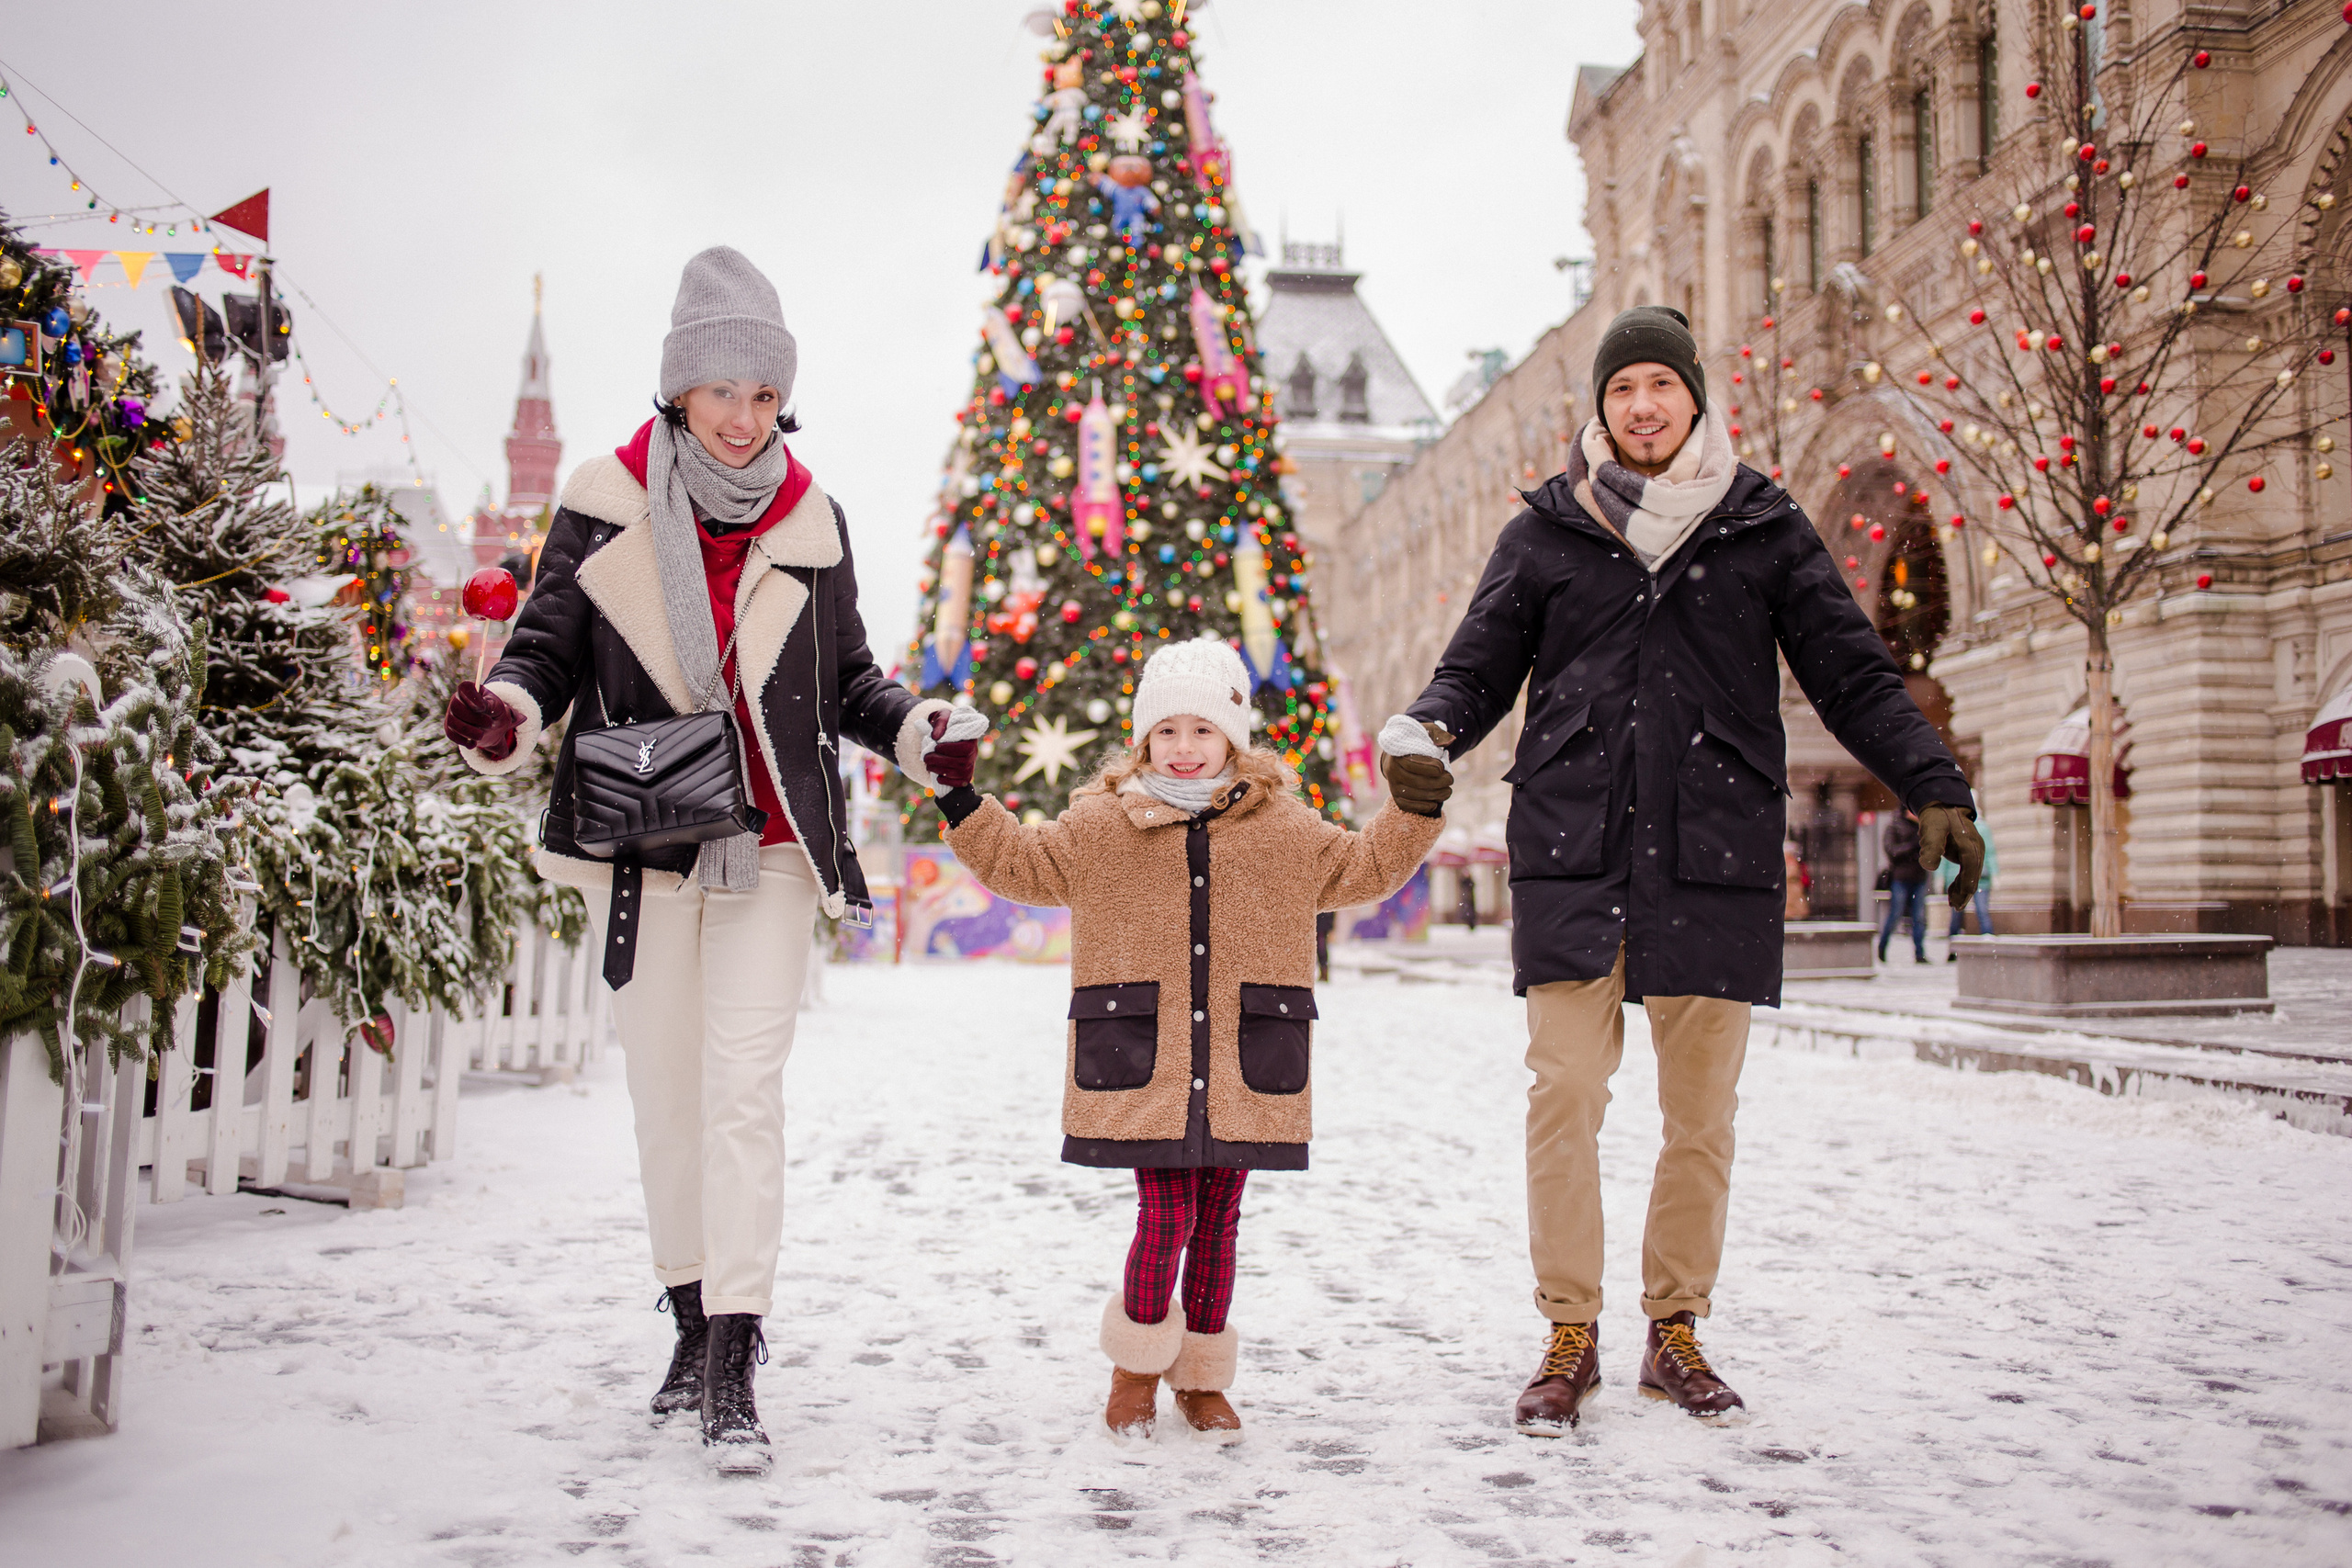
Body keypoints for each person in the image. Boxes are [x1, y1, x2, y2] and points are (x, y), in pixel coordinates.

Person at [1392, 305, 1984, 1436]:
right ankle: (1569, 1330)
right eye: (1623, 391)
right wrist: (1424, 738)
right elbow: (1470, 671)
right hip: (1572, 851)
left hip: (1713, 854)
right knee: (1563, 1094)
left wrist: (1932, 780)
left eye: (1661, 386)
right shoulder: (1546, 533)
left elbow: (1853, 673)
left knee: (1699, 1115)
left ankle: (1675, 1330)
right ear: (1600, 409)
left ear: (1695, 399)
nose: (1643, 407)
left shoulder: (1761, 524)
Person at [442, 246, 985, 1474]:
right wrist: (510, 715)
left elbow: (846, 680)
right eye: (719, 391)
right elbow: (544, 648)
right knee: (665, 1095)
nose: (742, 418)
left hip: (773, 846)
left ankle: (737, 1346)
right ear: (678, 389)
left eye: (762, 393)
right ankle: (685, 1317)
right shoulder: (603, 500)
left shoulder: (812, 518)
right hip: (647, 837)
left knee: (745, 1093)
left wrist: (916, 731)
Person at [934, 638, 1447, 1443]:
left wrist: (1412, 808)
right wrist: (962, 798)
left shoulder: (1284, 825)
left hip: (1248, 1053)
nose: (1183, 747)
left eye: (1201, 730)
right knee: (1165, 1210)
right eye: (1165, 730)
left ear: (1234, 738)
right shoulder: (1101, 823)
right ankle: (1136, 1365)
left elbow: (1364, 866)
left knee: (1219, 1218)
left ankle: (1202, 1378)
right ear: (1142, 739)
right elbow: (1022, 864)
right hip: (1144, 1057)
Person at [1878, 810, 1930, 964]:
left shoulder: (1923, 827)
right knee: (1896, 914)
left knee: (1919, 917)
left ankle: (1919, 953)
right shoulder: (1895, 826)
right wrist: (1911, 847)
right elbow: (1891, 851)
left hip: (1919, 877)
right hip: (1901, 877)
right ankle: (1882, 947)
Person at [1943, 812, 1997, 954]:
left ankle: (1989, 944)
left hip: (1980, 878)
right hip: (1958, 878)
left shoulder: (1982, 828)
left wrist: (1995, 873)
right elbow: (1944, 853)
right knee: (1956, 915)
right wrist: (1940, 876)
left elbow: (1990, 852)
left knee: (1982, 911)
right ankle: (1952, 948)